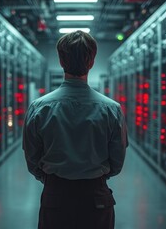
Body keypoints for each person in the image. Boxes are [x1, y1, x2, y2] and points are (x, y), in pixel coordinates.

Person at [22, 30, 128, 229]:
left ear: (61, 61)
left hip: (55, 197)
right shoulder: (112, 109)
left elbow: (32, 159)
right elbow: (117, 162)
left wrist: (51, 178)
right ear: (92, 62)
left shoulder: (39, 107)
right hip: (97, 198)